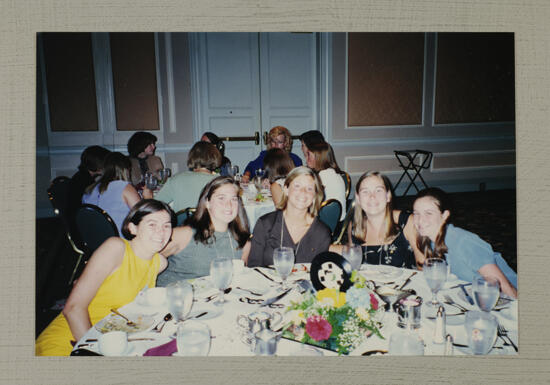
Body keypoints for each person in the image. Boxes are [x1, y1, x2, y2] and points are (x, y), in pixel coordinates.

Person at [35, 199, 175, 356]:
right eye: (152, 224)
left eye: (166, 225)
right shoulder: (116, 248)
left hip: (116, 338)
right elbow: (73, 309)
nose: (161, 232)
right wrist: (97, 351)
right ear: (133, 228)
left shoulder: (159, 263)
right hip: (76, 338)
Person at [412, 187, 517, 298]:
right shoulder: (428, 240)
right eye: (416, 213)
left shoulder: (463, 242)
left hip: (503, 297)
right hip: (469, 295)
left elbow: (504, 286)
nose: (420, 220)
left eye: (428, 213)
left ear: (445, 215)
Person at [156, 176, 250, 285]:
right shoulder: (184, 235)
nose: (229, 205)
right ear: (207, 203)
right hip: (174, 297)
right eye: (221, 198)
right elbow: (143, 263)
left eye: (233, 199)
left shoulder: (243, 243)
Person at [330, 171, 422, 269]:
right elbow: (348, 253)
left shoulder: (408, 222)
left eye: (378, 190)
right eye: (365, 191)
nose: (372, 196)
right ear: (358, 198)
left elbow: (424, 267)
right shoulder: (355, 228)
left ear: (388, 196)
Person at [245, 166, 331, 267]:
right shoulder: (265, 224)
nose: (303, 192)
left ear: (315, 196)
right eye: (297, 186)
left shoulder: (321, 233)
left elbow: (317, 274)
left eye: (309, 188)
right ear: (286, 190)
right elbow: (253, 269)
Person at [82, 152, 148, 234]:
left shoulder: (90, 189)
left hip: (95, 241)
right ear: (126, 170)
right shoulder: (125, 187)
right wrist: (148, 198)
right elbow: (144, 216)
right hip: (120, 241)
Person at [155, 141, 221, 213]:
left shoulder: (176, 179)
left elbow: (155, 205)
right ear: (215, 158)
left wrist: (147, 196)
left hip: (183, 222)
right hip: (208, 223)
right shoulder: (219, 182)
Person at [306, 141, 346, 220]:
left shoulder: (324, 175)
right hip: (335, 217)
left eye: (309, 155)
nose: (306, 159)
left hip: (329, 220)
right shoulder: (330, 172)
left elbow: (312, 202)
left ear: (318, 158)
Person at [67, 145, 111, 217]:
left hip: (78, 217)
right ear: (97, 163)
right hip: (81, 220)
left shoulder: (81, 176)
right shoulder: (85, 181)